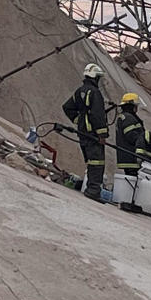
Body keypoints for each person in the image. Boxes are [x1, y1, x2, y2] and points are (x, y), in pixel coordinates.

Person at [61, 63, 108, 201]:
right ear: (95, 77)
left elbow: (67, 107)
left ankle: (90, 188)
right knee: (97, 162)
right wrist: (102, 134)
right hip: (93, 133)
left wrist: (79, 121)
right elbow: (97, 115)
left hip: (82, 133)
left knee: (91, 161)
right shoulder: (94, 93)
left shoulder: (79, 91)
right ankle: (93, 191)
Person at [115, 92, 144, 177]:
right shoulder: (128, 118)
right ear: (131, 106)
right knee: (132, 179)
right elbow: (131, 136)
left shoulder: (125, 116)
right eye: (135, 106)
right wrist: (144, 139)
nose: (136, 108)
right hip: (131, 156)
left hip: (128, 156)